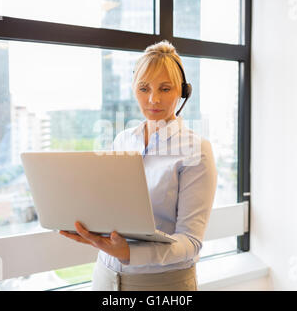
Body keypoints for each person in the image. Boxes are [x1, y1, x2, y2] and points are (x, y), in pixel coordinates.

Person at [59, 39, 217, 291]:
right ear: (133, 89)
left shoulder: (196, 149)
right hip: (105, 276)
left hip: (161, 284)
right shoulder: (123, 139)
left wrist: (130, 252)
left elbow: (190, 242)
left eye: (165, 89)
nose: (153, 99)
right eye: (144, 88)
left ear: (182, 91)